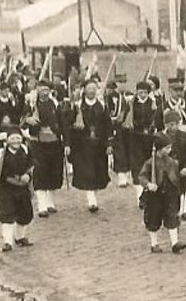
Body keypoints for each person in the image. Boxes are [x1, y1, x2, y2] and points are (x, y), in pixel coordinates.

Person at [138, 114, 186, 254]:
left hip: (170, 194)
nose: (169, 150)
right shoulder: (150, 163)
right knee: (153, 218)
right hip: (155, 195)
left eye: (170, 148)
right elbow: (141, 176)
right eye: (167, 148)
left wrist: (181, 177)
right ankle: (154, 244)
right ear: (159, 149)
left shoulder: (172, 162)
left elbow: (175, 175)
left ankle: (174, 243)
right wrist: (148, 184)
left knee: (172, 216)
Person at [65, 80, 112, 212]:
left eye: (94, 88)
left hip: (99, 144)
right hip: (83, 145)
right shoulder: (77, 106)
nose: (91, 91)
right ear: (84, 90)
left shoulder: (102, 105)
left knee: (98, 172)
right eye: (89, 88)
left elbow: (108, 125)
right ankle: (92, 201)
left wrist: (109, 143)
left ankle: (93, 196)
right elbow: (68, 124)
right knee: (87, 172)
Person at [26, 78, 65, 217]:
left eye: (47, 90)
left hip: (54, 142)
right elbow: (22, 119)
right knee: (40, 172)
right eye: (42, 90)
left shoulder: (55, 104)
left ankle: (50, 202)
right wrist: (28, 120)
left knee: (53, 172)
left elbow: (62, 122)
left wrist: (65, 141)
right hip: (38, 143)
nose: (44, 93)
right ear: (37, 90)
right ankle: (41, 205)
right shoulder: (31, 104)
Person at [0, 128, 36, 251]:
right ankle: (7, 242)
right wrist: (14, 177)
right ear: (7, 140)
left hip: (22, 188)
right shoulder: (1, 153)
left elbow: (32, 165)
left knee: (25, 213)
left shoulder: (26, 151)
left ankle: (20, 237)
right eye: (12, 138)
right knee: (7, 214)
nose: (15, 141)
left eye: (18, 138)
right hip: (6, 189)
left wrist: (28, 176)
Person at [129, 77, 163, 197]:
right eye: (140, 92)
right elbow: (128, 119)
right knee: (137, 164)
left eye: (145, 92)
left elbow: (158, 120)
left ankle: (149, 188)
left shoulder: (153, 104)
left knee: (149, 162)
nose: (142, 95)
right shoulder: (132, 104)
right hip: (136, 138)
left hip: (149, 138)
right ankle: (139, 192)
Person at [0, 80, 24, 168]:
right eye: (4, 90)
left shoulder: (11, 100)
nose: (6, 92)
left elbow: (16, 112)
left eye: (7, 90)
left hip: (9, 128)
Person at [102, 80, 132, 187]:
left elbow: (117, 114)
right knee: (118, 150)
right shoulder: (113, 96)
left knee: (120, 151)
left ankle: (123, 177)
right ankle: (122, 176)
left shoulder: (117, 97)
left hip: (117, 126)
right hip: (114, 126)